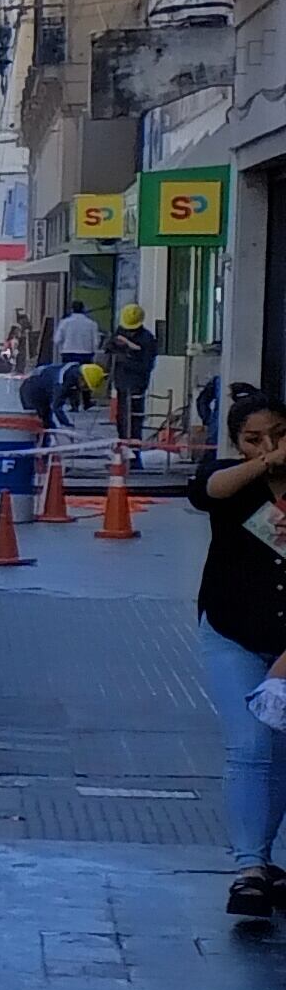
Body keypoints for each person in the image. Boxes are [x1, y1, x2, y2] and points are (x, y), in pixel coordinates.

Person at [194, 392, 286, 916]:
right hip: (232, 631)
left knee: (280, 751)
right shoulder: (232, 482)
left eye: (278, 434)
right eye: (254, 439)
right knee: (250, 744)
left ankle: (266, 859)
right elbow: (208, 490)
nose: (269, 447)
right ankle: (248, 865)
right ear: (236, 444)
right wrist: (264, 465)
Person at [105, 303, 160, 441]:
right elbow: (108, 347)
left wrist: (126, 358)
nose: (129, 332)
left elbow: (146, 366)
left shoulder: (147, 339)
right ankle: (123, 450)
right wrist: (114, 347)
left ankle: (134, 455)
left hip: (136, 386)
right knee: (122, 420)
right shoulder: (121, 332)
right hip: (121, 385)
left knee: (134, 421)